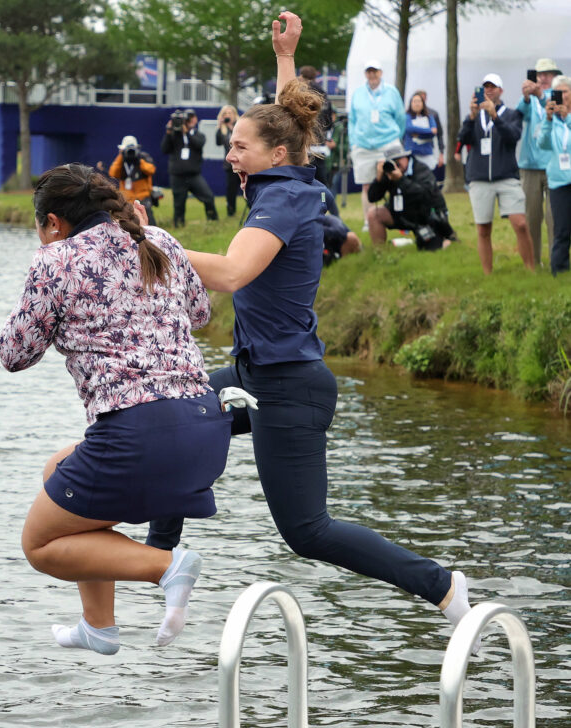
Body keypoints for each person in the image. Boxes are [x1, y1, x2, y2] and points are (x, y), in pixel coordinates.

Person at [146, 11, 474, 638]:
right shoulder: (281, 175)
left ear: (271, 156)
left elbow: (234, 272)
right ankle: (167, 570)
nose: (230, 153)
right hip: (253, 371)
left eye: (239, 147)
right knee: (171, 419)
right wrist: (285, 58)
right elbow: (285, 124)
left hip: (290, 385)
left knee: (306, 531)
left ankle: (441, 585)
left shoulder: (289, 197)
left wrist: (147, 242)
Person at [0, 163, 236, 655]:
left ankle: (165, 567)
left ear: (54, 224)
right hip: (205, 426)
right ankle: (99, 627)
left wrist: (46, 286)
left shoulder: (55, 261)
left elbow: (14, 354)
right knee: (58, 473)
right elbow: (200, 313)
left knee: (39, 544)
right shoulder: (159, 240)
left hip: (138, 435)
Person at [458, 73, 536, 274]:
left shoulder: (512, 114)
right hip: (480, 178)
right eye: (486, 87)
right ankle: (487, 274)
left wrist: (495, 116)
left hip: (507, 176)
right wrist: (471, 117)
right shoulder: (474, 116)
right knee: (483, 229)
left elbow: (513, 137)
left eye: (493, 87)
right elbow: (462, 139)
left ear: (501, 91)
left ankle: (530, 270)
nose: (489, 90)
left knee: (520, 224)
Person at [347, 59, 406, 228]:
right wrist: (354, 141)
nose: (372, 74)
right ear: (366, 74)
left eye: (375, 71)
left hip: (388, 143)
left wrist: (396, 137)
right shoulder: (358, 93)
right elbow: (353, 120)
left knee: (395, 179)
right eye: (369, 71)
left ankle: (399, 217)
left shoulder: (392, 91)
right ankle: (369, 220)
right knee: (366, 184)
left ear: (381, 73)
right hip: (363, 145)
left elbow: (400, 118)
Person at [366, 143, 455, 250]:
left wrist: (401, 180)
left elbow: (423, 195)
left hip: (426, 216)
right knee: (373, 214)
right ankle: (379, 252)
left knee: (431, 249)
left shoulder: (421, 169)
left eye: (398, 159)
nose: (396, 164)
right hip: (401, 214)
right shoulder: (390, 171)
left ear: (406, 157)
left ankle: (447, 239)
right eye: (393, 161)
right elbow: (372, 198)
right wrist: (378, 179)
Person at [518, 58, 562, 270]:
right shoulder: (528, 98)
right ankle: (533, 263)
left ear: (554, 76)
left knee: (555, 219)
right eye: (540, 74)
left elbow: (560, 114)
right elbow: (519, 113)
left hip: (554, 165)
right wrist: (527, 97)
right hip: (529, 165)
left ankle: (557, 262)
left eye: (548, 74)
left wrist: (541, 95)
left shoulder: (558, 95)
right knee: (531, 217)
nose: (543, 78)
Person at [161, 108, 220, 227]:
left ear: (195, 119)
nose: (188, 120)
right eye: (186, 119)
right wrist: (168, 131)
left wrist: (186, 132)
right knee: (179, 203)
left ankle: (213, 220)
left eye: (191, 117)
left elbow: (198, 144)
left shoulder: (199, 135)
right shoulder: (174, 135)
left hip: (194, 175)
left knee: (208, 196)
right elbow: (164, 149)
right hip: (177, 175)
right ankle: (178, 224)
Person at [538, 75, 571, 275]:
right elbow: (542, 144)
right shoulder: (549, 120)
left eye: (566, 92)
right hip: (559, 182)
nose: (562, 96)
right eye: (558, 93)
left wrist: (567, 118)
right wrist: (549, 119)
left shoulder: (567, 119)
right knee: (562, 229)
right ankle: (559, 269)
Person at [109, 135, 157, 225]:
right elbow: (113, 173)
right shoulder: (121, 159)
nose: (130, 152)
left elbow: (151, 170)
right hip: (127, 197)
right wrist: (121, 156)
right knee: (127, 223)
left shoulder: (143, 157)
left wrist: (139, 159)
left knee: (149, 221)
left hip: (143, 196)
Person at [300, 65, 336, 186]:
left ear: (301, 76)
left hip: (304, 143)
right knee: (321, 182)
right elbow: (330, 122)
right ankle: (324, 202)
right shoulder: (323, 94)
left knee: (303, 180)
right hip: (320, 143)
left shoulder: (301, 93)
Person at [215, 105, 241, 217]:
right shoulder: (222, 129)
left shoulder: (239, 126)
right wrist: (220, 126)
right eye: (225, 113)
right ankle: (231, 211)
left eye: (230, 113)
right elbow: (218, 142)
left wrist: (231, 127)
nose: (227, 115)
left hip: (242, 161)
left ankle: (252, 207)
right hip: (229, 163)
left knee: (246, 185)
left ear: (234, 115)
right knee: (231, 188)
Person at [404, 92, 440, 170]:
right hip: (412, 153)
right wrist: (428, 131)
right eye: (414, 101)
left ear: (423, 103)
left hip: (427, 152)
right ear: (411, 103)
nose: (417, 104)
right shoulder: (407, 116)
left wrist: (419, 134)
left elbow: (434, 131)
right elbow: (409, 128)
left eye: (419, 101)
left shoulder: (429, 117)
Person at [415, 90, 446, 170]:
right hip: (413, 150)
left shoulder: (432, 114)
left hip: (428, 150)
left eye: (423, 99)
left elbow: (440, 135)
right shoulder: (409, 116)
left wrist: (441, 154)